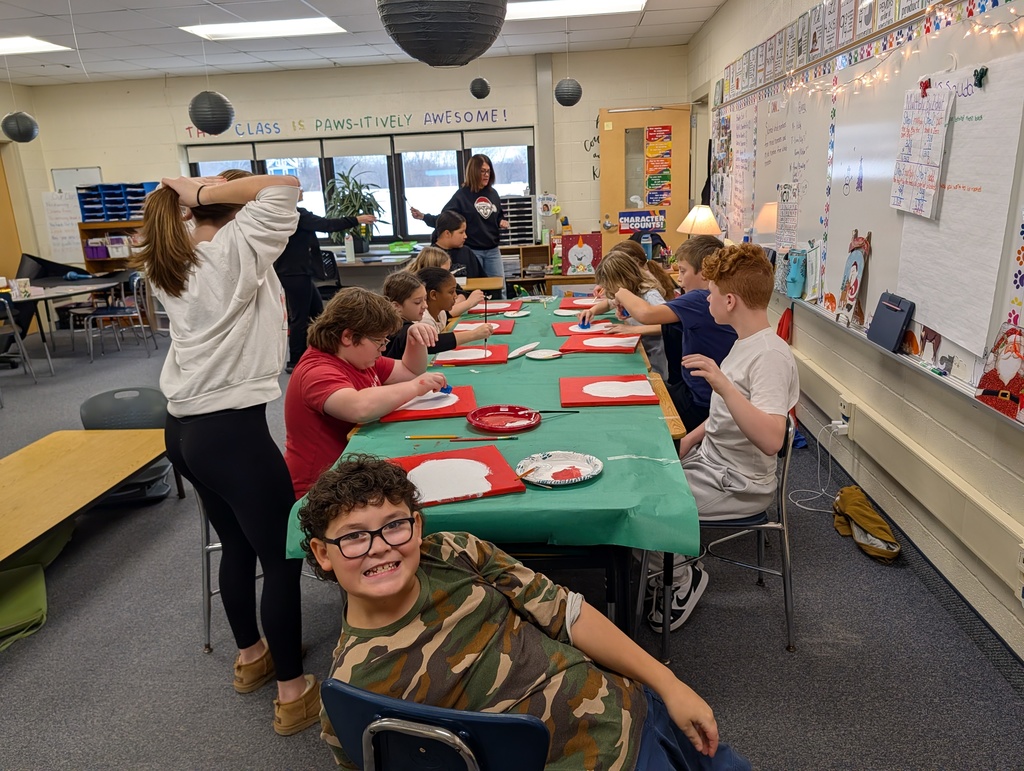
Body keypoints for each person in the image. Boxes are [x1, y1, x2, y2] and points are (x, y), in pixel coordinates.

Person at [300, 455, 752, 771]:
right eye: (354, 537)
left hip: (628, 704)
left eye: (394, 525)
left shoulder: (457, 552)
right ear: (322, 553)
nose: (380, 546)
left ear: (417, 526)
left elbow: (566, 612)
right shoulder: (353, 687)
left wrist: (669, 683)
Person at [135, 171, 320, 736]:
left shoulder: (171, 260)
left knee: (236, 543)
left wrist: (195, 200)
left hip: (185, 432)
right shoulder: (234, 252)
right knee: (283, 558)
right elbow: (284, 186)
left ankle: (250, 658)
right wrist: (203, 191)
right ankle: (291, 692)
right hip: (232, 435)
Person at [651, 243, 799, 633]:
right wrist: (691, 437)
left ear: (730, 300)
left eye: (710, 293)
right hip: (713, 464)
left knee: (644, 510)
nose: (703, 298)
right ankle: (675, 560)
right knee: (640, 480)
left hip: (741, 484)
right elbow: (724, 416)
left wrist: (721, 383)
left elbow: (771, 438)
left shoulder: (770, 355)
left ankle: (684, 578)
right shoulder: (743, 342)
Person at [283, 286, 446, 499]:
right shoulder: (316, 370)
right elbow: (359, 407)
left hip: (349, 474)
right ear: (348, 337)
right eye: (379, 341)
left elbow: (410, 371)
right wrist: (416, 387)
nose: (384, 348)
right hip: (320, 490)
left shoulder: (358, 359)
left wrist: (414, 340)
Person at [596, 236, 737, 433]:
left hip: (700, 400)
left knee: (634, 412)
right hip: (696, 390)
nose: (679, 278)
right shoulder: (706, 299)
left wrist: (620, 291)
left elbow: (646, 314)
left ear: (705, 273)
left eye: (683, 270)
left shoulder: (699, 299)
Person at [275, 200, 376, 373]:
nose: (302, 191)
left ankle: (320, 352)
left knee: (317, 313)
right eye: (298, 188)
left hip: (297, 272)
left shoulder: (288, 213)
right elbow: (326, 225)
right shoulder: (295, 214)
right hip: (294, 273)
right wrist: (357, 219)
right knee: (300, 317)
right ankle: (295, 360)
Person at [409, 153, 509, 296]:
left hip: (492, 250)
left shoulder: (493, 194)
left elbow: (497, 215)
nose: (486, 175)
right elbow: (445, 219)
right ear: (473, 172)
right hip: (473, 250)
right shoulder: (462, 195)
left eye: (488, 171)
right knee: (475, 288)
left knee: (500, 287)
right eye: (482, 171)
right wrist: (425, 217)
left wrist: (501, 221)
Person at [591, 252, 670, 379]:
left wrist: (632, 330)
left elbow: (668, 326)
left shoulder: (650, 295)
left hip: (655, 357)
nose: (611, 292)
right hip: (638, 347)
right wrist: (591, 311)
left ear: (624, 279)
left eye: (611, 288)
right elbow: (608, 303)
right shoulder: (627, 291)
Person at [380, 271, 490, 359]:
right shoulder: (400, 330)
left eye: (424, 300)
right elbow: (432, 343)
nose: (425, 306)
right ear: (396, 306)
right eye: (418, 302)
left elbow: (448, 314)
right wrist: (474, 334)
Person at [417, 267, 494, 347]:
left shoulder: (441, 313)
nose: (456, 296)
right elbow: (434, 344)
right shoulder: (424, 321)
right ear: (433, 295)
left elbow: (449, 315)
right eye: (451, 292)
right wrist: (474, 334)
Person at [403, 245, 484, 316]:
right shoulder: (417, 288)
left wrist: (453, 303)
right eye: (445, 271)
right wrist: (469, 303)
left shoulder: (440, 281)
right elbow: (446, 313)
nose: (448, 275)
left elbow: (461, 294)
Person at [430, 210, 485, 279]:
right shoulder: (430, 256)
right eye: (461, 232)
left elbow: (481, 279)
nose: (465, 236)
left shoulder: (466, 252)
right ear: (447, 233)